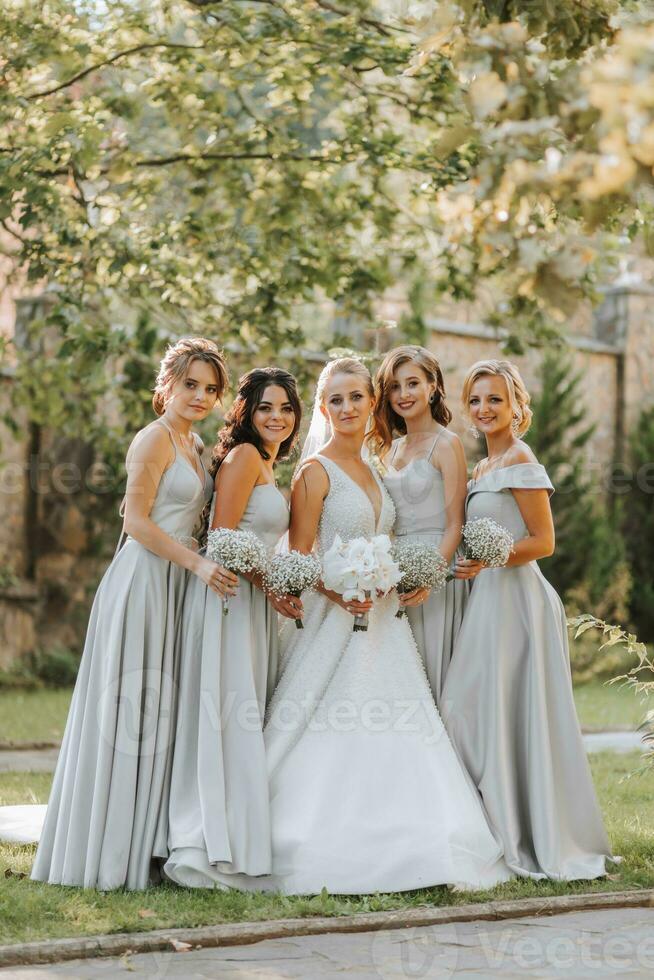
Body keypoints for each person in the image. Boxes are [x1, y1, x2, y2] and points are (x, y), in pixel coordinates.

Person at [205, 357, 511, 895]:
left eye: (356, 397)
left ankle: (412, 836)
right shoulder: (313, 471)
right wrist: (336, 588)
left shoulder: (374, 467)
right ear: (324, 409)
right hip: (333, 622)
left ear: (372, 403)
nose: (347, 408)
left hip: (386, 623)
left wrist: (388, 575)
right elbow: (298, 557)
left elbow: (385, 539)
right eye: (336, 400)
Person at [0, 338, 237, 890]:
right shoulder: (153, 439)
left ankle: (150, 844)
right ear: (167, 386)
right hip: (146, 580)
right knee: (129, 709)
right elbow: (136, 521)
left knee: (159, 713)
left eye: (210, 389)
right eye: (190, 385)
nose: (200, 396)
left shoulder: (194, 443)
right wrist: (198, 566)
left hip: (177, 581)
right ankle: (107, 853)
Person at [440, 359, 615, 880]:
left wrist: (492, 558)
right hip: (487, 601)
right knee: (470, 710)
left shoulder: (520, 459)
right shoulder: (482, 467)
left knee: (500, 709)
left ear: (517, 404)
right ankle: (495, 827)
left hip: (519, 603)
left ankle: (528, 832)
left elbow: (544, 541)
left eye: (494, 398)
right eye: (475, 400)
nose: (483, 409)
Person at [164, 368, 303, 888]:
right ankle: (207, 834)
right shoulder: (244, 457)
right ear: (246, 412)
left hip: (255, 602)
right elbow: (222, 537)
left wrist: (282, 582)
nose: (277, 418)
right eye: (266, 408)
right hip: (229, 600)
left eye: (286, 408)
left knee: (242, 717)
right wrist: (270, 584)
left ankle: (242, 827)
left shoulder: (267, 463)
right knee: (225, 715)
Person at [370, 345, 468, 703]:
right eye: (394, 386)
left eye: (413, 383)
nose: (403, 394)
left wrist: (431, 576)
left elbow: (456, 523)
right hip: (396, 574)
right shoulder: (390, 450)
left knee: (433, 671)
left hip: (438, 570)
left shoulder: (447, 443)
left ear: (433, 387)